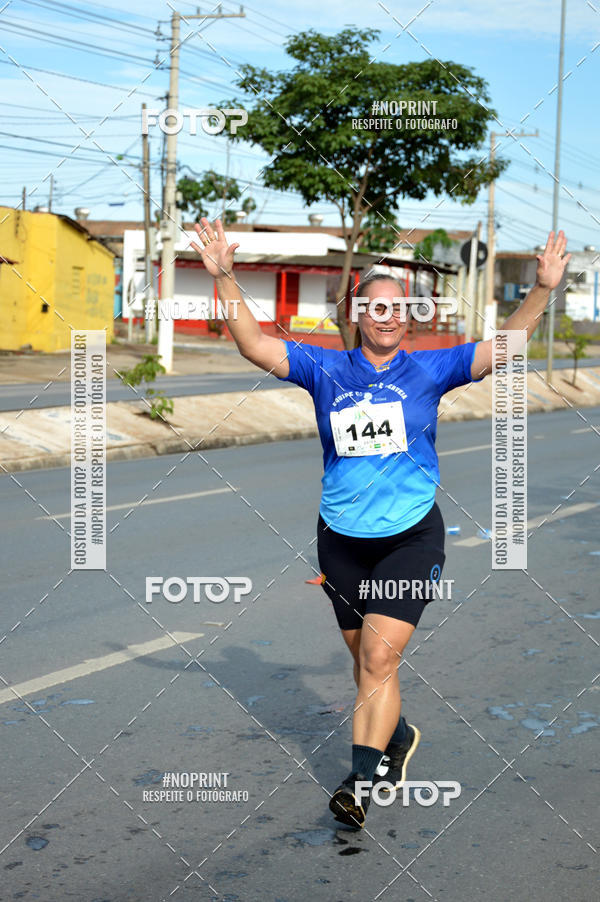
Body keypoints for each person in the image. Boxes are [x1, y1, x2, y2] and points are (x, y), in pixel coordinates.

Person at [191, 218, 571, 828]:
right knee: (363, 659)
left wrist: (542, 290)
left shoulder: (432, 370)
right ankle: (395, 734)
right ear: (358, 311)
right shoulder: (324, 370)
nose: (388, 316)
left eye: (399, 307)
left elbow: (503, 346)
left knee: (377, 658)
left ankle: (359, 782)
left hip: (411, 535)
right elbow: (254, 345)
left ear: (409, 315)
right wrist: (226, 278)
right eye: (375, 306)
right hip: (340, 540)